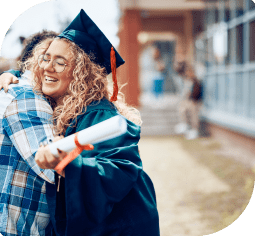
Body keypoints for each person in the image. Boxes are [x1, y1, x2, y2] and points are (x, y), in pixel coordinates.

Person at [1, 9, 160, 236]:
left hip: (119, 227)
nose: (47, 67)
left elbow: (120, 169)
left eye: (60, 62)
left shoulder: (100, 115)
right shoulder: (61, 109)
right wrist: (10, 74)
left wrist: (69, 164)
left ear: (81, 73)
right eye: (45, 58)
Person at [0, 38, 57, 235]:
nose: (53, 67)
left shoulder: (14, 90)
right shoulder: (29, 98)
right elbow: (52, 169)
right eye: (46, 58)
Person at [174, 60, 203, 140]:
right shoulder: (187, 81)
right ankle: (184, 125)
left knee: (193, 110)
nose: (188, 74)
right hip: (190, 102)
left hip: (196, 102)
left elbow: (196, 95)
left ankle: (195, 130)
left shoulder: (196, 82)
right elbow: (186, 94)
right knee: (182, 107)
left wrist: (191, 100)